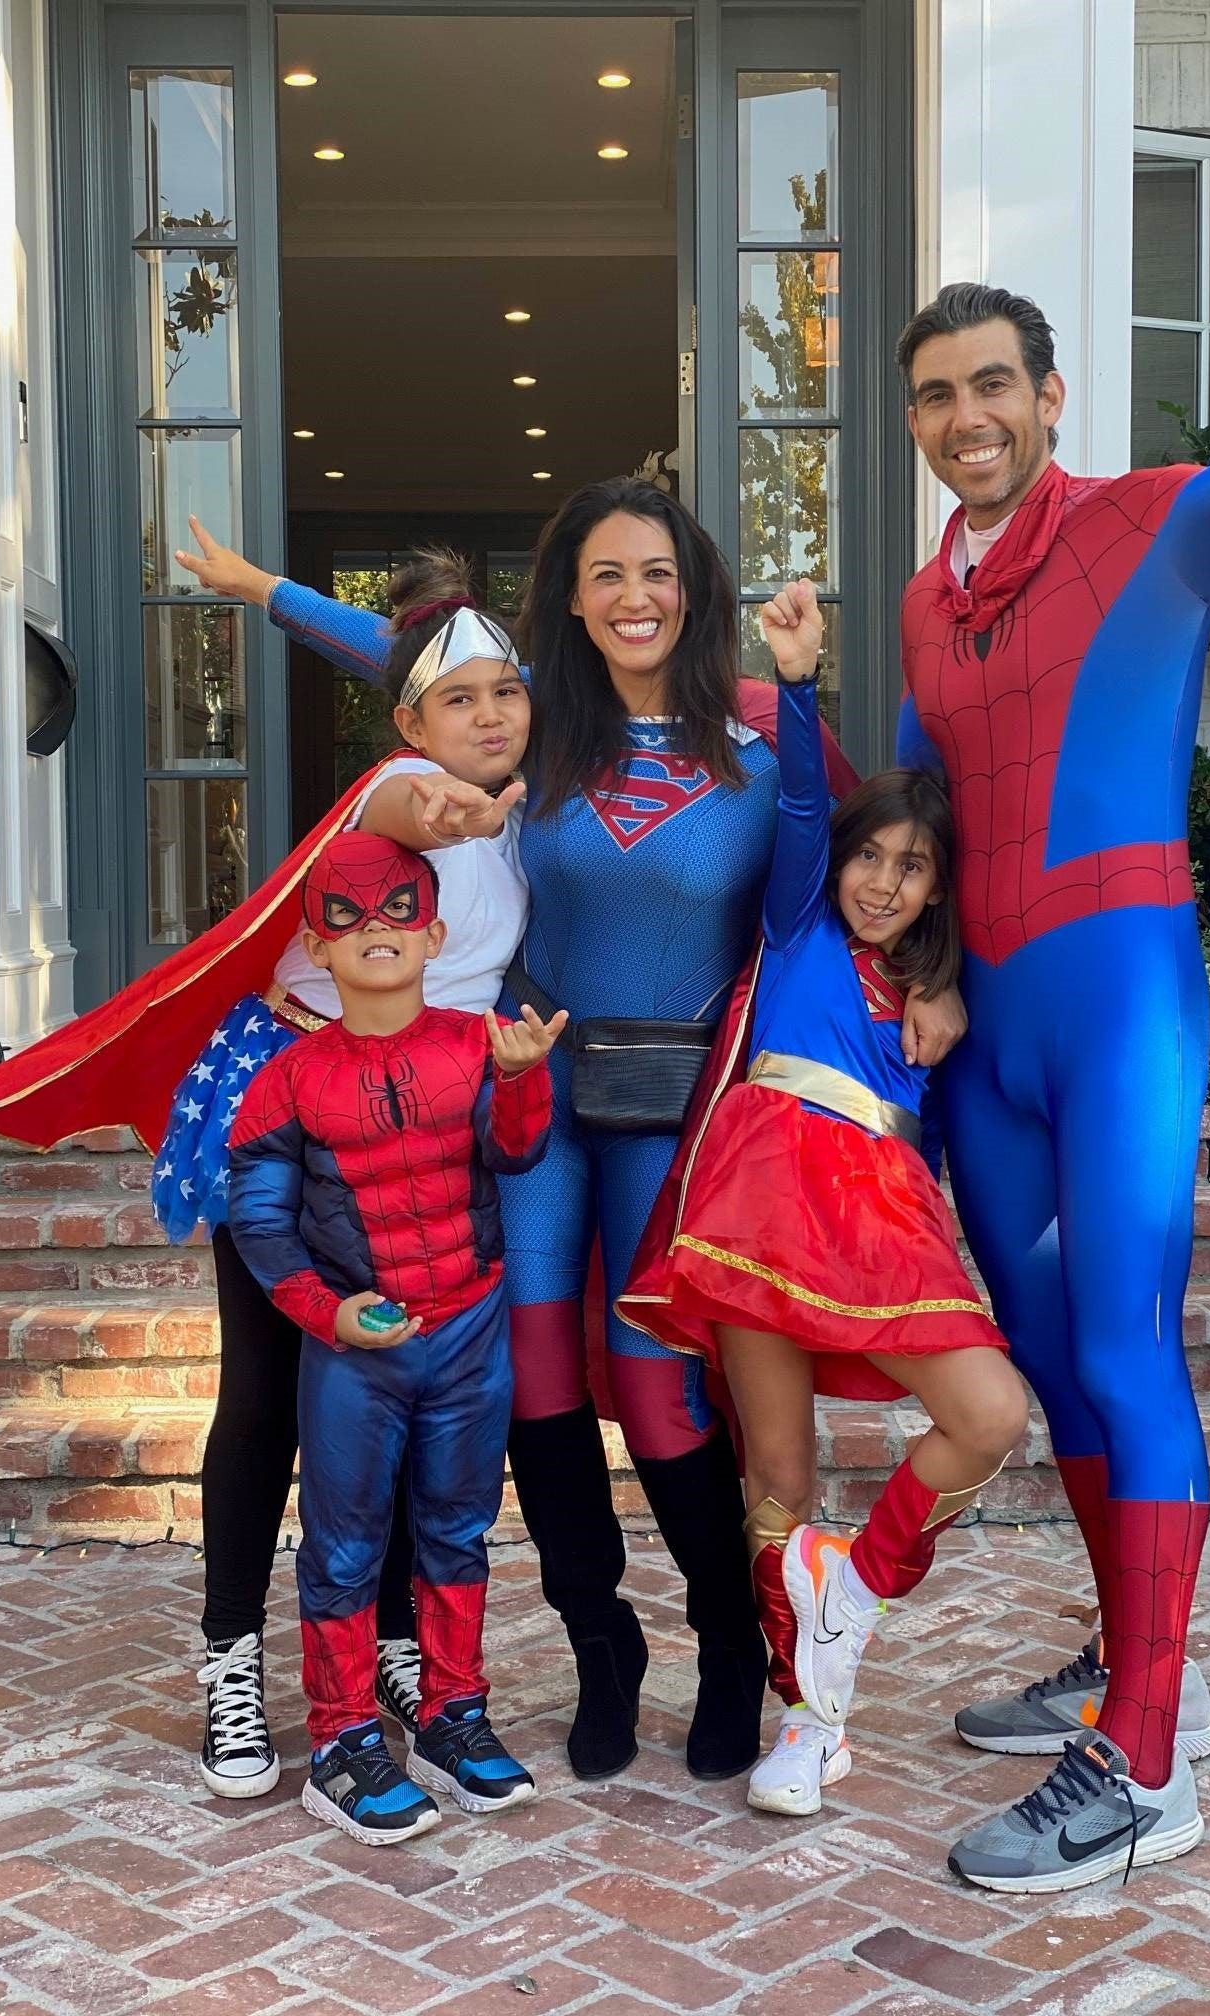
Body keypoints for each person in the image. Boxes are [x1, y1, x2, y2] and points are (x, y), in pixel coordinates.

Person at [212, 478, 922, 1786]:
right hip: (532, 1102)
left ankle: (728, 1646)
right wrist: (269, 594)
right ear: (573, 601)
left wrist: (931, 981)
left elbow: (855, 880)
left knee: (655, 1389)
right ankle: (603, 1650)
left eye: (656, 572)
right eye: (606, 575)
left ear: (692, 590)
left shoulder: (765, 748)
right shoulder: (535, 726)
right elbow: (407, 659)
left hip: (671, 1117)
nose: (634, 597)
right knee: (534, 1383)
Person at [891, 284, 1210, 1891]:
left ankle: (1147, 1767)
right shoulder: (924, 601)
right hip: (988, 1041)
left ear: (1049, 395)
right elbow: (918, 807)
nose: (968, 417)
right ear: (915, 422)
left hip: (1118, 1000)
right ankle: (1133, 1661)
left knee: (1124, 1348)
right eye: (937, 395)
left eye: (994, 384)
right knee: (1056, 1361)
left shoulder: (1148, 528)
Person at [0, 542, 535, 1804]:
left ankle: (394, 1648)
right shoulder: (405, 787)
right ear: (409, 725)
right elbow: (411, 805)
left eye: (506, 694)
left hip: (423, 1119)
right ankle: (232, 1663)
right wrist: (450, 807)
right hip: (298, 1107)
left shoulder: (524, 804)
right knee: (267, 1398)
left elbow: (399, 651)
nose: (487, 716)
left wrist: (263, 595)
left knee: (395, 1389)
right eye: (457, 700)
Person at [617, 578, 1023, 1818]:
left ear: (941, 888)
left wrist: (945, 1000)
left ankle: (855, 1587)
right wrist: (798, 687)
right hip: (760, 1209)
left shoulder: (940, 1001)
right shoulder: (798, 929)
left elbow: (950, 1132)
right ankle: (812, 1721)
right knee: (778, 1485)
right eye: (870, 857)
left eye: (914, 868)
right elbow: (800, 802)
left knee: (988, 1413)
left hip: (884, 1220)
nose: (884, 883)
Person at [227, 829, 561, 1846]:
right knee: (343, 1545)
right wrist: (324, 1312)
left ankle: (453, 1714)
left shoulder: (475, 1043)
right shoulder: (288, 1079)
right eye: (347, 913)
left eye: (399, 910)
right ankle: (339, 1741)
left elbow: (515, 1151)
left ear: (436, 935)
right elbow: (259, 1218)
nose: (377, 928)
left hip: (468, 1328)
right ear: (315, 945)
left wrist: (524, 1079)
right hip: (354, 1353)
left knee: (457, 1530)